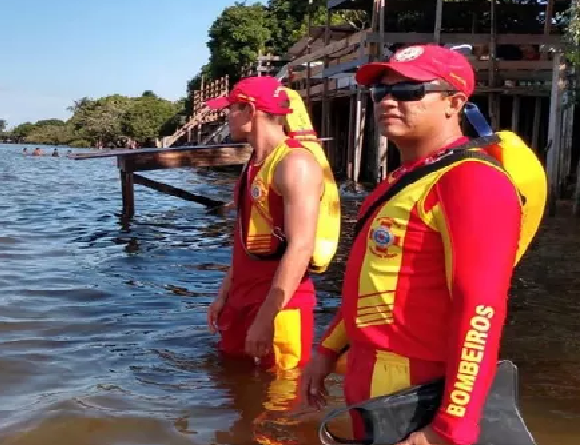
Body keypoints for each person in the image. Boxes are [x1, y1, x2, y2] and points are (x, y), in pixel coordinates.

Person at [299, 44, 523, 445]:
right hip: (370, 380)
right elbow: (373, 284)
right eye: (380, 92)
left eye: (408, 91)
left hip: (417, 393)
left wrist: (447, 430)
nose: (388, 101)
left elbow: (480, 312)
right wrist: (326, 351)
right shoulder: (399, 182)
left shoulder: (471, 181)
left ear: (454, 102)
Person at [204, 76, 326, 371]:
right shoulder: (254, 162)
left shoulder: (295, 164)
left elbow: (301, 246)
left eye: (230, 109)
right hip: (242, 297)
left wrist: (266, 317)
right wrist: (223, 295)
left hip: (280, 304)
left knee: (284, 400)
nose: (226, 117)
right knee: (233, 384)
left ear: (249, 110)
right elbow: (245, 236)